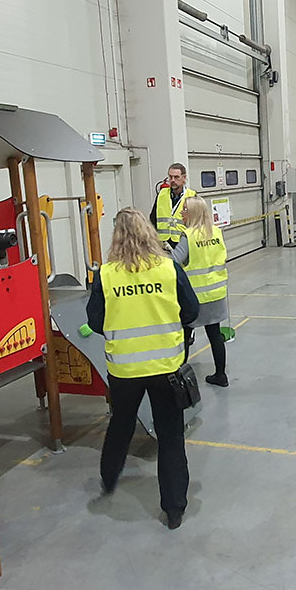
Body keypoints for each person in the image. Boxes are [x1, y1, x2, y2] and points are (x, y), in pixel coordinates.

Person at [87, 207, 199, 530]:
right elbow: (191, 310)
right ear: (149, 233)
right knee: (171, 435)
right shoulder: (168, 268)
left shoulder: (106, 275)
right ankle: (174, 507)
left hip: (124, 370)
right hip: (166, 367)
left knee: (121, 424)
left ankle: (109, 478)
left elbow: (95, 320)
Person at [172, 196, 230, 388]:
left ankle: (180, 381)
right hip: (215, 293)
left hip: (195, 297)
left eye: (185, 210)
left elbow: (174, 262)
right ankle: (221, 375)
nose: (182, 213)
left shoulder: (188, 236)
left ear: (193, 213)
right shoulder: (216, 232)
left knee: (184, 336)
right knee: (215, 335)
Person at [149, 162, 197, 247]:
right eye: (170, 177)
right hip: (164, 243)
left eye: (176, 177)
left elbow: (196, 222)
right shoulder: (162, 194)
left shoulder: (191, 196)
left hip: (184, 242)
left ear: (184, 178)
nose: (173, 180)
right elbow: (153, 218)